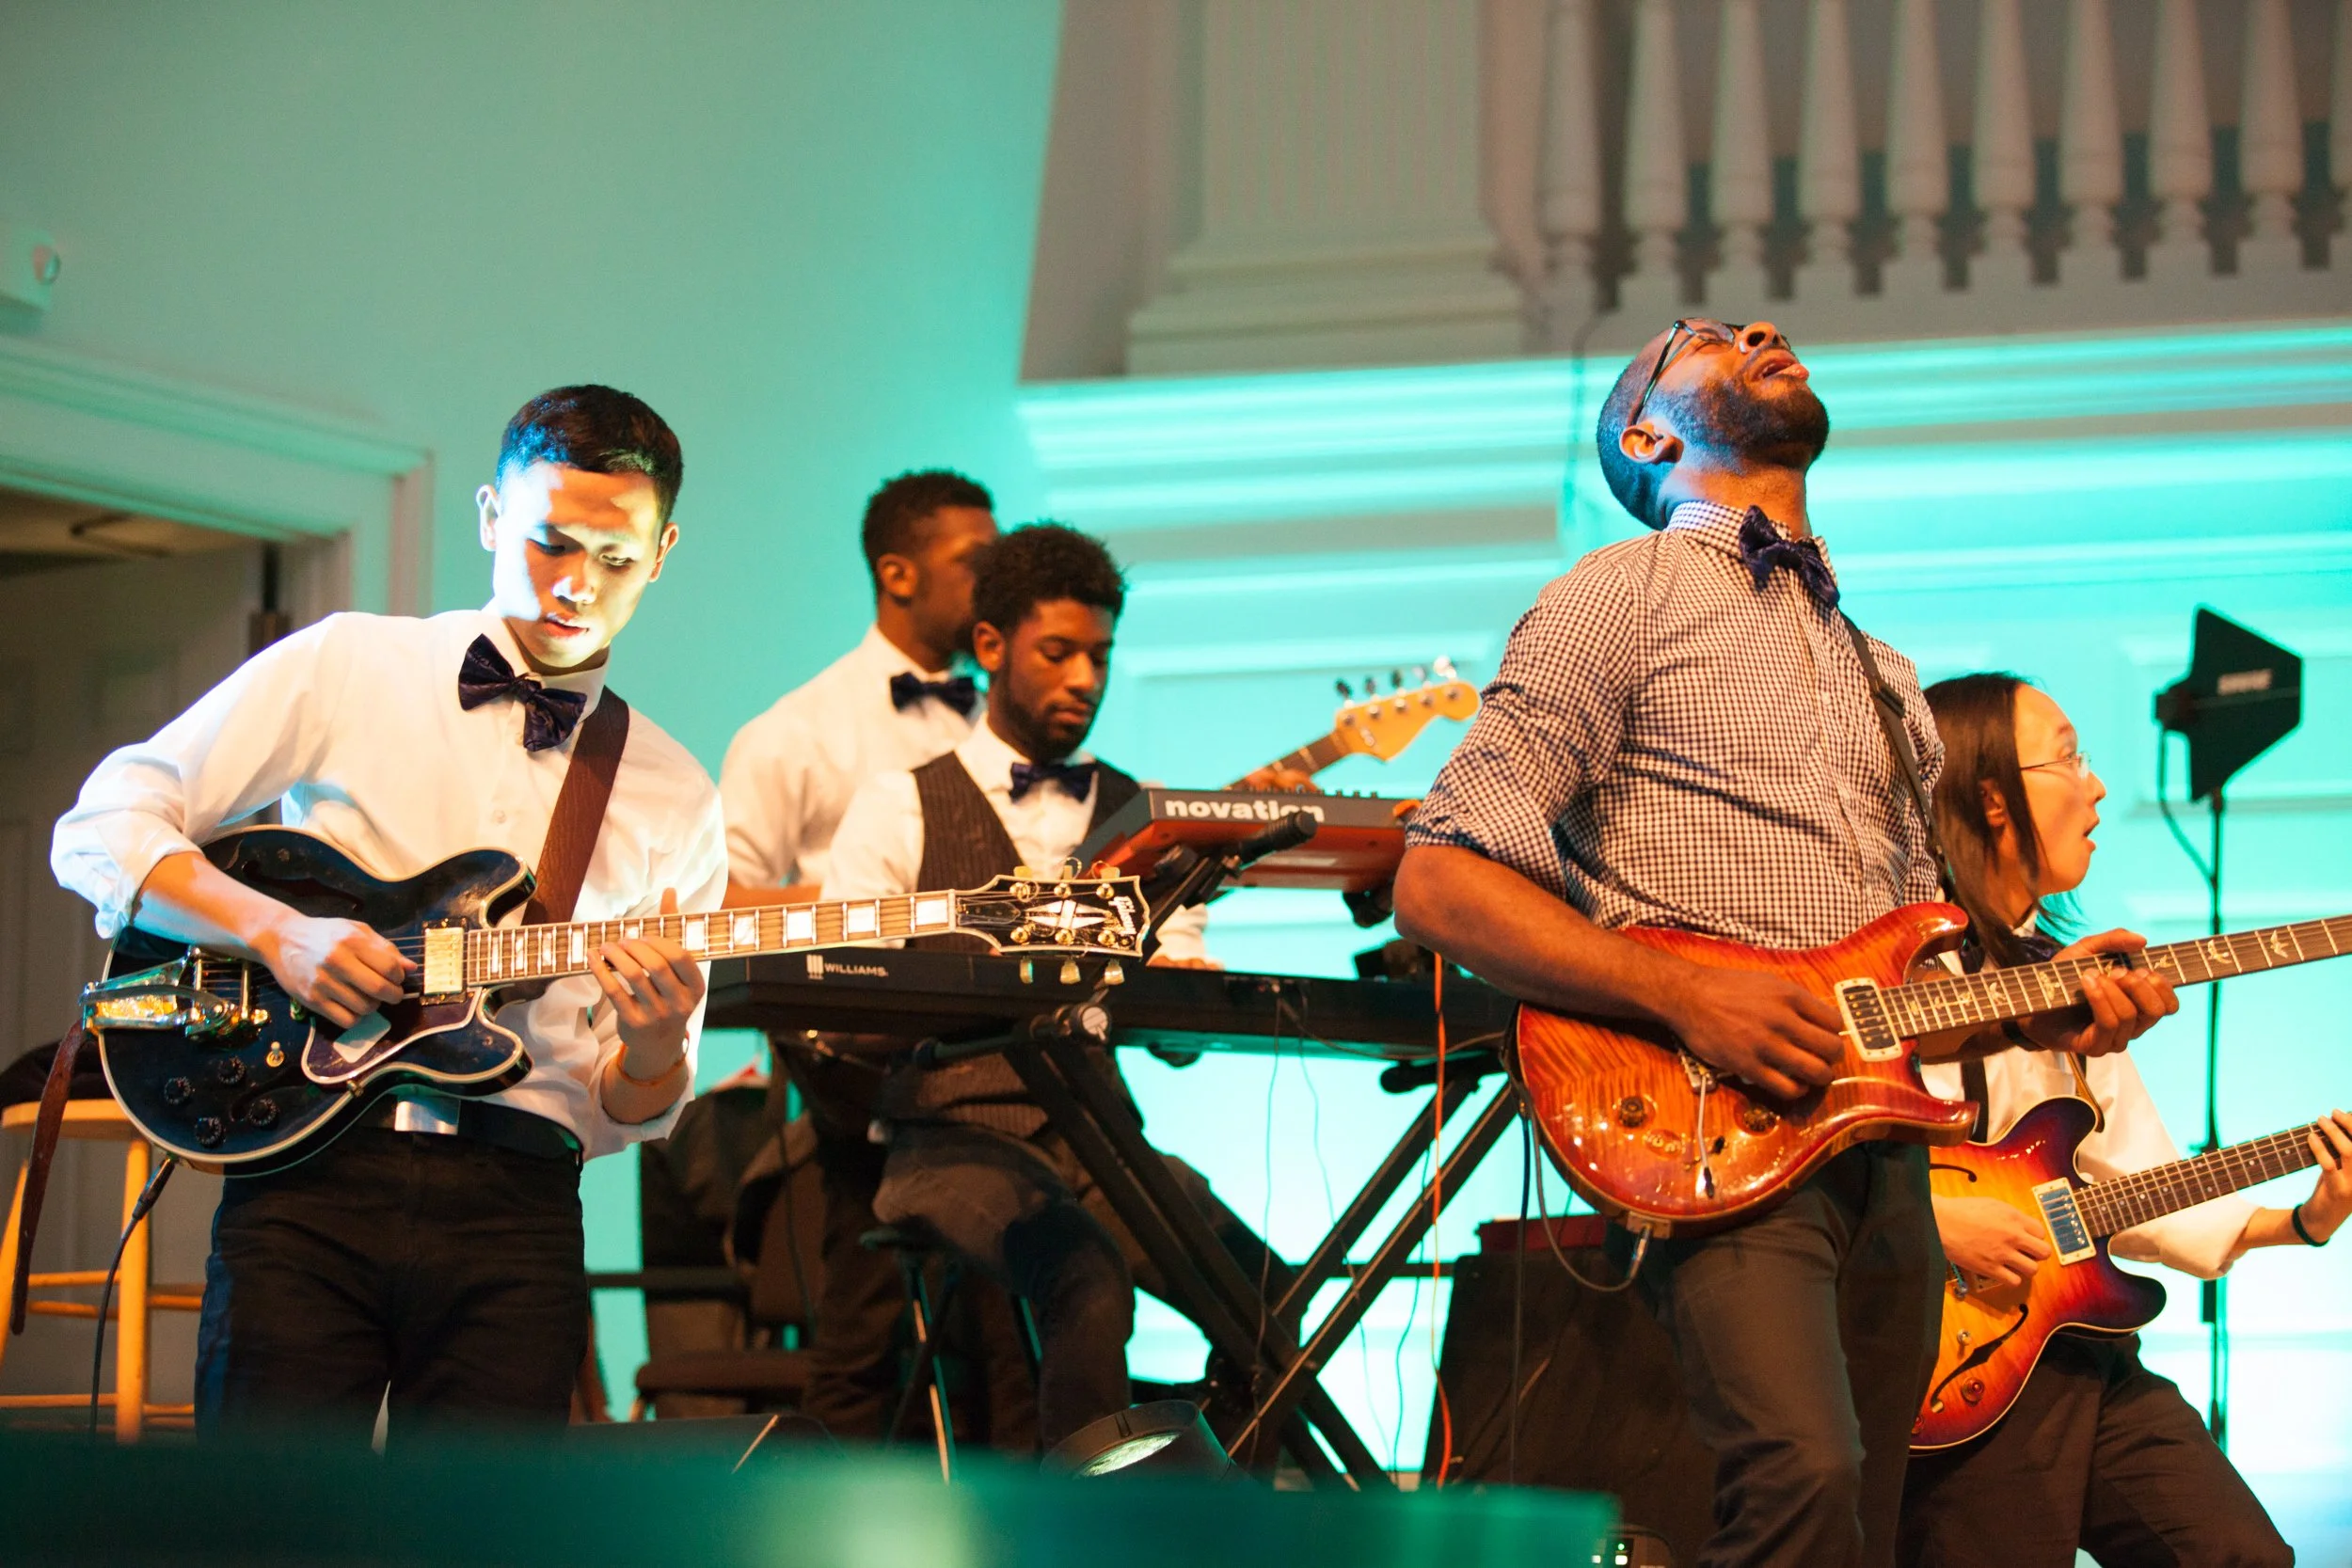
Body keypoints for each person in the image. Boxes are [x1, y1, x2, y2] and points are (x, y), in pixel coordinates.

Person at [1390, 319, 2177, 1568]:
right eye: (1698, 338)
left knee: (1864, 1521)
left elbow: (1909, 989)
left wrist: (2047, 1010)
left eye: (1758, 323)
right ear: (1652, 436)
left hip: (1884, 1161)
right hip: (1711, 1122)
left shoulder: (1890, 676)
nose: (1759, 327)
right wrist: (1688, 994)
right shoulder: (1618, 594)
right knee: (1802, 1479)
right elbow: (1436, 881)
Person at [51, 385, 725, 1437]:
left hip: (520, 1206)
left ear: (665, 551)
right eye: (550, 541)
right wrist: (277, 930)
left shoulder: (674, 789)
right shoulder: (349, 663)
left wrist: (649, 1048)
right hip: (311, 1178)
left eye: (616, 557)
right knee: (265, 1526)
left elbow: (630, 1104)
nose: (576, 585)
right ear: (491, 515)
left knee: (478, 1541)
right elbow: (101, 825)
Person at [826, 521, 1281, 1449]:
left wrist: (1187, 984)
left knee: (1272, 1299)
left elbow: (1178, 1018)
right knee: (1086, 1276)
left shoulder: (1145, 811)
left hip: (1099, 1137)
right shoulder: (898, 802)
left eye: (1100, 655)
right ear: (990, 646)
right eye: (1058, 651)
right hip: (946, 1139)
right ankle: (1083, 1542)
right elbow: (844, 989)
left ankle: (1209, 1517)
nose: (1084, 677)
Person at [1899, 673, 2349, 1568]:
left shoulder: (2069, 977)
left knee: (2242, 1556)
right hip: (1956, 1364)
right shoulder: (1898, 968)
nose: (2097, 784)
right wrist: (1934, 1219)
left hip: (2080, 1346)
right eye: (2068, 756)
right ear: (1992, 797)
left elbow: (2134, 1183)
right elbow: (1821, 1151)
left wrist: (2305, 1220)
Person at [716, 468, 1026, 1443]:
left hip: (984, 1051)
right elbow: (719, 905)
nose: (999, 576)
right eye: (976, 561)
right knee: (872, 1320)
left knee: (1012, 1295)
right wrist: (867, 901)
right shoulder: (794, 732)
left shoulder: (998, 723)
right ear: (896, 572)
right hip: (855, 1064)